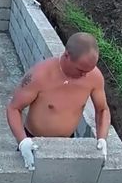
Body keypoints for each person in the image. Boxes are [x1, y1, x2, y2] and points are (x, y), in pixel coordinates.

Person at [6, 32, 111, 170]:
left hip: (67, 144)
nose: (85, 75)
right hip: (34, 142)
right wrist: (22, 141)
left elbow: (102, 109)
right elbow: (14, 108)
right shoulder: (40, 75)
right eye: (80, 69)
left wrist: (102, 138)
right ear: (67, 55)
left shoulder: (94, 76)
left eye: (89, 70)